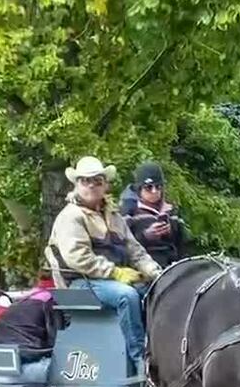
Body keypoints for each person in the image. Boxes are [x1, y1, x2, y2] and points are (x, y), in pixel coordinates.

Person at [46, 156, 161, 369]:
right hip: (80, 283)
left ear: (105, 184)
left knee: (156, 291)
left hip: (107, 281)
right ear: (76, 184)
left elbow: (135, 250)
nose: (91, 185)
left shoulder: (113, 215)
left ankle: (160, 348)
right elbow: (78, 258)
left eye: (97, 180)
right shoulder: (71, 217)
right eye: (85, 181)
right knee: (126, 296)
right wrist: (116, 273)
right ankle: (139, 359)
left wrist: (155, 272)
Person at [0, 271, 65, 384]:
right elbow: (56, 340)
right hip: (17, 373)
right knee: (64, 368)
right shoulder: (50, 300)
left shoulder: (23, 300)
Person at [120, 161, 186, 268]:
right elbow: (121, 247)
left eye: (158, 186)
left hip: (172, 266)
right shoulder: (128, 213)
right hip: (142, 267)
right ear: (139, 189)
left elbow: (184, 246)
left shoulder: (172, 211)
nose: (154, 191)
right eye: (148, 187)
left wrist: (172, 231)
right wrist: (145, 236)